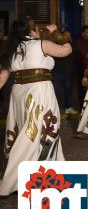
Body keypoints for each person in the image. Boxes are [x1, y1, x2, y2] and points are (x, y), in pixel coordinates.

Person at [0, 21, 72, 196]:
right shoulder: (41, 44)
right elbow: (67, 50)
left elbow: (2, 77)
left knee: (24, 129)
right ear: (31, 32)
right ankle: (18, 179)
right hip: (39, 92)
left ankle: (36, 174)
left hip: (19, 93)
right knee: (37, 131)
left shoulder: (12, 49)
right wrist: (56, 33)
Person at [52, 30, 77, 114]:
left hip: (68, 72)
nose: (68, 37)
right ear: (62, 36)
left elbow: (74, 57)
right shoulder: (56, 45)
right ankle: (53, 108)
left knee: (68, 90)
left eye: (69, 36)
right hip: (58, 72)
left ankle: (68, 107)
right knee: (55, 90)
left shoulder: (71, 46)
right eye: (66, 36)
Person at [75, 25, 88, 107]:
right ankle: (82, 107)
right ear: (83, 33)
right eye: (87, 32)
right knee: (82, 89)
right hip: (81, 69)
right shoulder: (78, 42)